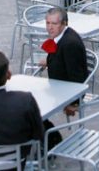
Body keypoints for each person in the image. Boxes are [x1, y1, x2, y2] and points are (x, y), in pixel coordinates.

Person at [39, 8, 88, 148]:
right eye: (47, 23)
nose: (49, 27)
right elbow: (62, 58)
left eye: (54, 23)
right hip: (57, 84)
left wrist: (74, 103)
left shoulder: (69, 44)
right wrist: (49, 61)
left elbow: (77, 78)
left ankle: (48, 139)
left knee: (34, 105)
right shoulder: (62, 36)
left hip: (64, 91)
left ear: (64, 23)